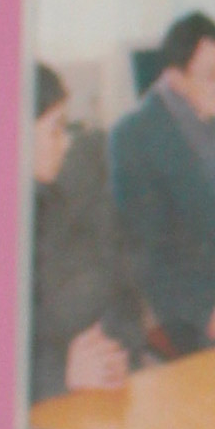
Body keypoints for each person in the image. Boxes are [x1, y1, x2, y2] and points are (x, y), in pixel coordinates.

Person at [108, 12, 215, 355]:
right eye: (211, 77)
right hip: (188, 310)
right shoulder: (134, 137)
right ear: (175, 79)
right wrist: (208, 312)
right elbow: (147, 254)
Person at [29, 65, 146, 405]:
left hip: (95, 388)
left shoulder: (54, 199)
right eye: (55, 130)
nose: (66, 143)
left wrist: (115, 353)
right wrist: (62, 373)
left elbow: (116, 287)